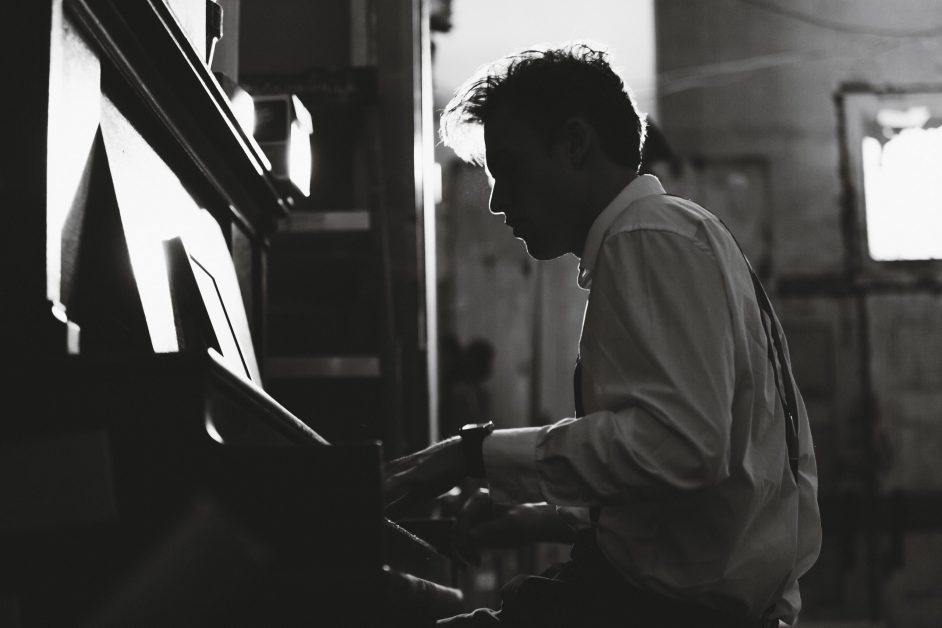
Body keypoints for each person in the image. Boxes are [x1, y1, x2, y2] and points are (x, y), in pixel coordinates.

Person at [385, 42, 821, 627]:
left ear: (574, 143)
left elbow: (680, 448)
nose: (495, 199)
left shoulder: (649, 236)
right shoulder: (675, 232)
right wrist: (534, 517)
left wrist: (471, 455)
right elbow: (682, 489)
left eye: (507, 166)